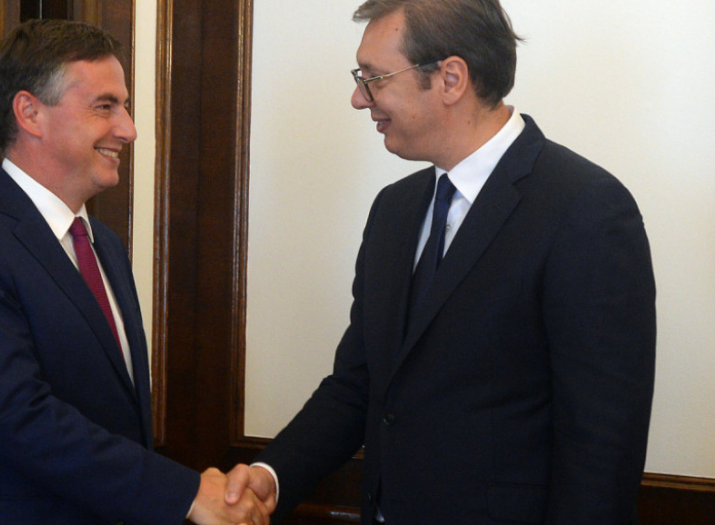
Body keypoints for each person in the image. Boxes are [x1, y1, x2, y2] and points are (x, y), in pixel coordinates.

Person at [225, 1, 656, 524]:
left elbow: (601, 449)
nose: (359, 98)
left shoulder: (585, 209)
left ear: (451, 79)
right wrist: (273, 476)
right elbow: (361, 385)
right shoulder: (394, 210)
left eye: (374, 78)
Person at [0, 19, 268, 525]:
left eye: (124, 106)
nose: (128, 128)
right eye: (105, 106)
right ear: (30, 113)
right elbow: (19, 415)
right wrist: (186, 493)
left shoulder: (105, 246)